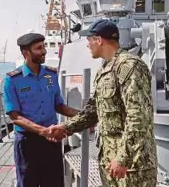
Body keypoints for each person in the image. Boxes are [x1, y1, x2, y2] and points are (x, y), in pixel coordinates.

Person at [48, 19, 158, 186]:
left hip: (132, 167)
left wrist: (123, 158)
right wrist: (66, 128)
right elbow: (93, 111)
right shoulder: (105, 70)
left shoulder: (129, 66)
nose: (87, 45)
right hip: (110, 161)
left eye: (89, 40)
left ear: (99, 40)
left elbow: (139, 117)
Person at [3, 32, 80, 187]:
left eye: (44, 46)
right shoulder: (12, 80)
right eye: (39, 48)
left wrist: (81, 115)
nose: (44, 51)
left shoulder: (51, 75)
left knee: (54, 183)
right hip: (27, 143)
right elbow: (15, 116)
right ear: (26, 53)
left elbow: (58, 105)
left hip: (51, 142)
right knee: (28, 183)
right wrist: (42, 131)